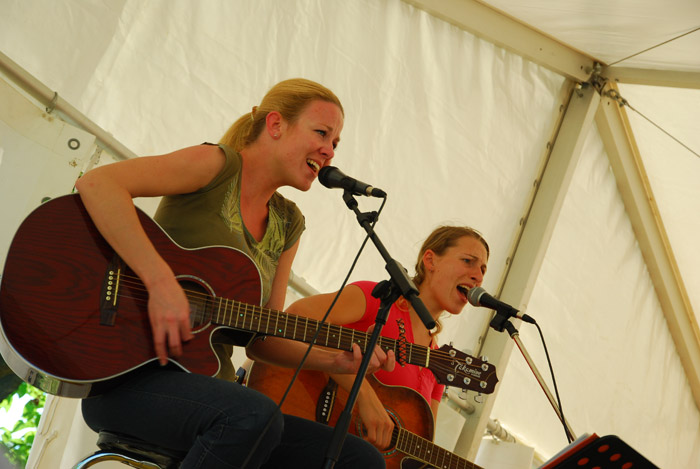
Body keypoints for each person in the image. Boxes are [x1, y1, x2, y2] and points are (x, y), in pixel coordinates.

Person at [74, 78, 393, 468]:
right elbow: (98, 183)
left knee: (359, 459)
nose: (329, 150)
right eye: (322, 133)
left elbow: (263, 339)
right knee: (254, 416)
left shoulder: (288, 223)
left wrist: (334, 362)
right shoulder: (215, 166)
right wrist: (159, 282)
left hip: (210, 389)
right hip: (127, 378)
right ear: (276, 125)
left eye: (335, 143)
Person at [280, 225, 489, 450]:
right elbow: (296, 316)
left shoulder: (438, 364)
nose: (478, 276)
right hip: (300, 430)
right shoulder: (378, 301)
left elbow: (420, 447)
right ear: (430, 260)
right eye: (468, 261)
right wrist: (364, 395)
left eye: (483, 270)